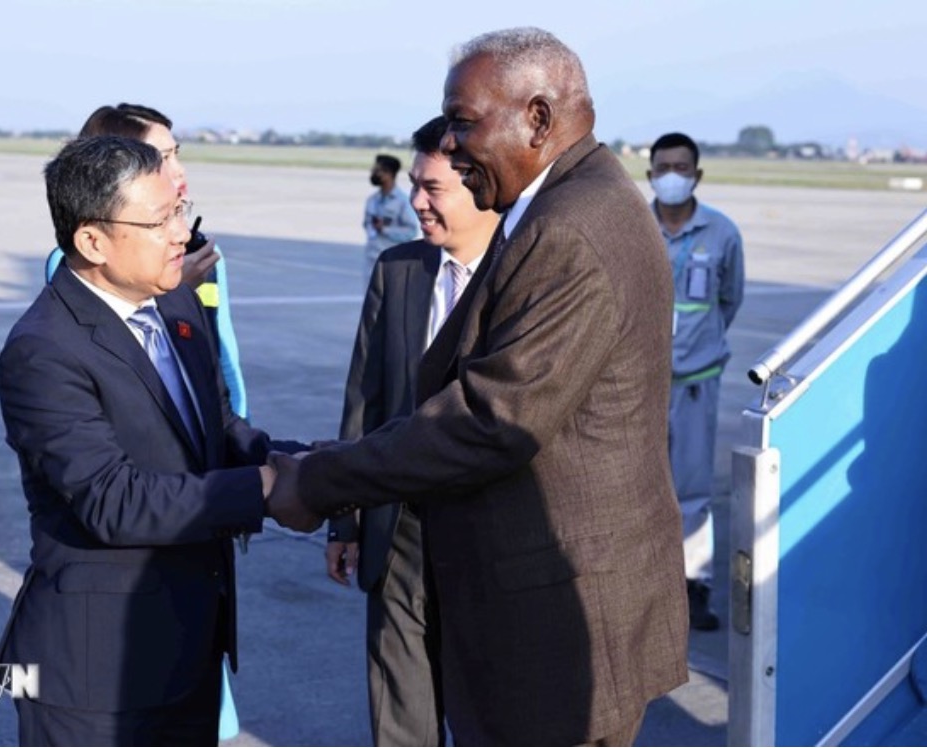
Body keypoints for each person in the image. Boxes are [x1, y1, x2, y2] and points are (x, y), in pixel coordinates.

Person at [268, 27, 689, 745]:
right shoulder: (568, 205)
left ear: (538, 118)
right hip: (554, 609)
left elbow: (491, 421)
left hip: (554, 629)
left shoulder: (571, 228)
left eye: (464, 122)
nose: (453, 145)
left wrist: (316, 482)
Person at [0, 135, 306, 745]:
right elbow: (114, 500)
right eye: (159, 220)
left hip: (188, 658)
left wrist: (327, 464)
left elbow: (220, 435)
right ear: (91, 241)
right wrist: (266, 490)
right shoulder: (44, 349)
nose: (181, 235)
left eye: (181, 212)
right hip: (96, 679)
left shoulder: (176, 306)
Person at [327, 115, 498, 746]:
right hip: (398, 529)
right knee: (400, 715)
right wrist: (343, 516)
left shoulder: (523, 273)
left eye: (432, 189)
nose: (416, 203)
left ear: (479, 185)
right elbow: (363, 402)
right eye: (415, 186)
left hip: (489, 540)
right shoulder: (398, 271)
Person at [45, 102, 249, 418]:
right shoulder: (79, 263)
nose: (178, 170)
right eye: (161, 158)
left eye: (176, 154)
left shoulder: (196, 248)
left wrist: (240, 431)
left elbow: (223, 354)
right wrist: (173, 289)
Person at [647, 132, 745, 632]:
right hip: (640, 382)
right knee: (637, 483)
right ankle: (642, 583)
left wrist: (699, 346)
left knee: (692, 486)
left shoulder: (722, 234)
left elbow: (729, 300)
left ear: (697, 175)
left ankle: (693, 584)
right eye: (664, 167)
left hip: (695, 379)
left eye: (681, 168)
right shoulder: (634, 228)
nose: (672, 176)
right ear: (649, 176)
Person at [362, 153, 419, 284]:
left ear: (389, 174)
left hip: (392, 262)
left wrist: (385, 230)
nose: (373, 173)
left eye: (377, 171)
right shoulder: (372, 200)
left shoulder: (402, 202)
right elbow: (367, 225)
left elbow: (411, 231)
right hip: (372, 259)